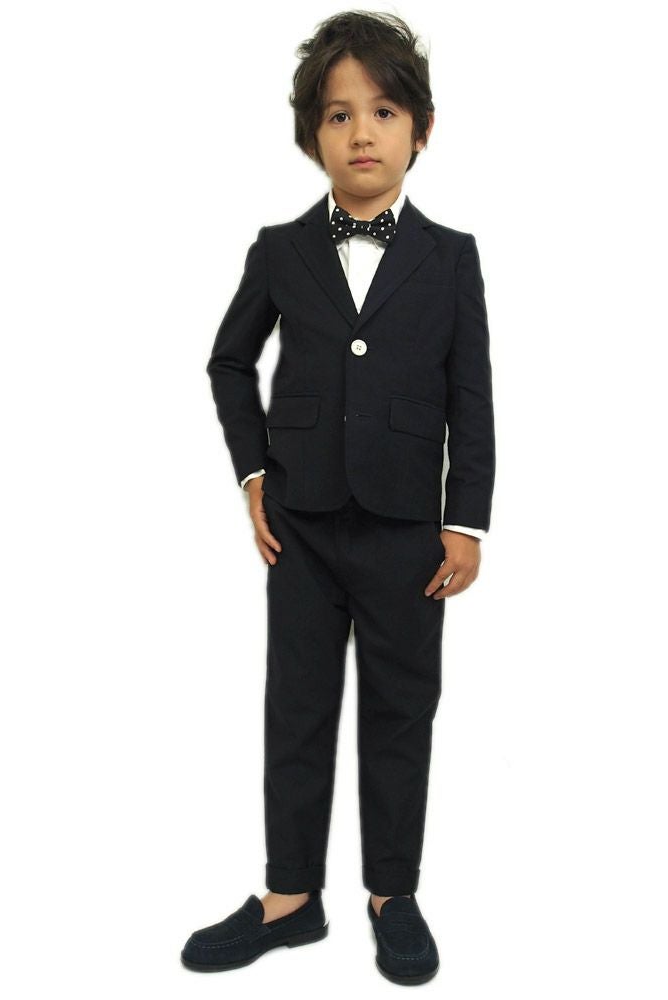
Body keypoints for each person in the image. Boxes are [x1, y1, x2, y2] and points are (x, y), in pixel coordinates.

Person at [181, 10, 495, 985]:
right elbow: (230, 362)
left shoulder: (451, 256)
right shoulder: (281, 249)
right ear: (311, 134)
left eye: (384, 111)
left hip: (409, 532)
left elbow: (471, 396)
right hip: (303, 528)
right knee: (298, 707)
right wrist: (253, 473)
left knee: (402, 710)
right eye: (338, 114)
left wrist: (465, 520)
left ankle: (392, 894)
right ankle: (289, 898)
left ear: (422, 129)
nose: (362, 132)